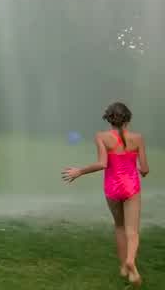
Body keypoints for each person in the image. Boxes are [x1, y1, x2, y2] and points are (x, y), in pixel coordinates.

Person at [63, 102, 149, 286]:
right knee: (132, 231)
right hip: (131, 187)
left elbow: (102, 163)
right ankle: (131, 261)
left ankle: (123, 266)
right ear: (128, 119)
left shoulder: (101, 137)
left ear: (109, 119)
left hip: (112, 187)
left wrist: (80, 171)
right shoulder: (138, 138)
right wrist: (141, 170)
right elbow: (145, 169)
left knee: (119, 226)